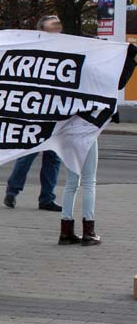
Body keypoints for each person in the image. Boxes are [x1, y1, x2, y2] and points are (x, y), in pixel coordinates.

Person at [58, 43, 137, 246]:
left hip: (68, 131)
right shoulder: (96, 77)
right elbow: (118, 83)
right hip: (87, 131)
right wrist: (130, 58)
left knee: (71, 183)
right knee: (89, 182)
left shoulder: (70, 75)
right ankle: (88, 230)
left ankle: (65, 230)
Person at [3, 15, 64, 211]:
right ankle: (12, 190)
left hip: (56, 111)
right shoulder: (33, 50)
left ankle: (47, 198)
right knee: (28, 153)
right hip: (35, 110)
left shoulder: (65, 49)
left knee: (53, 156)